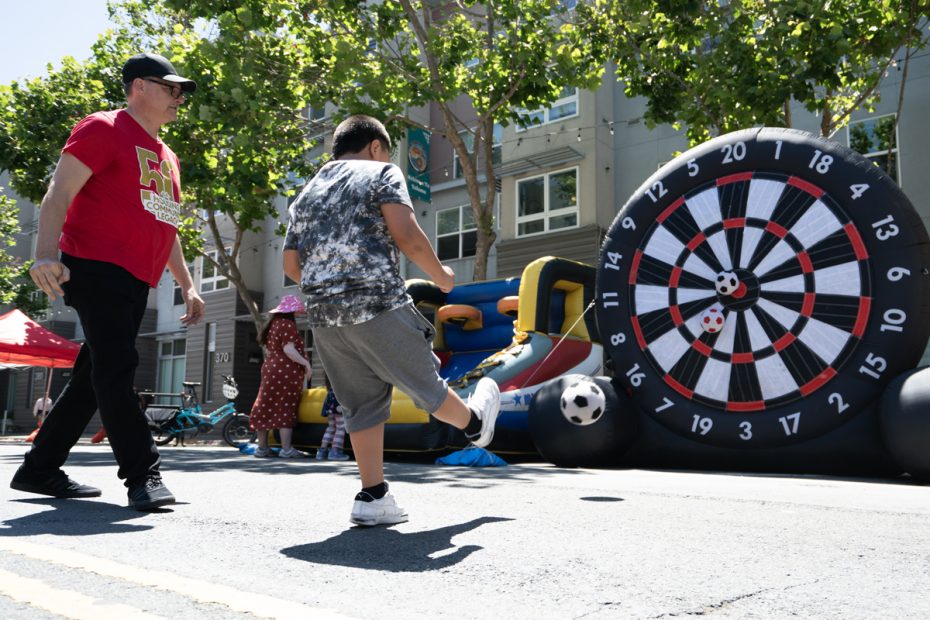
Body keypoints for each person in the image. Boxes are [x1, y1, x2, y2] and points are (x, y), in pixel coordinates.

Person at [283, 115, 500, 527]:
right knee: (427, 386)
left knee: (361, 406)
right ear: (375, 146)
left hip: (325, 316)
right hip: (377, 301)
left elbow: (291, 265)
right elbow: (407, 234)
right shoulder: (381, 171)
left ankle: (373, 495)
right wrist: (441, 276)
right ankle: (474, 425)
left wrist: (331, 284)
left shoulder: (306, 194)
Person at [9, 53, 203, 511]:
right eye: (170, 87)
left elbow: (166, 225)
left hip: (136, 276)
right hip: (95, 266)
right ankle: (143, 473)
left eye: (181, 91)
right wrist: (43, 256)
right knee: (117, 367)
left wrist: (189, 286)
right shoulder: (103, 128)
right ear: (138, 86)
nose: (179, 97)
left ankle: (39, 467)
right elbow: (59, 191)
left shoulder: (167, 156)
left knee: (93, 377)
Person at [250, 294, 313, 458]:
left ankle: (262, 448)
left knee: (264, 404)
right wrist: (306, 364)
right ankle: (286, 449)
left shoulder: (272, 325)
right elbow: (289, 350)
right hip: (286, 370)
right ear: (291, 311)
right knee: (285, 406)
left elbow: (271, 350)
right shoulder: (287, 324)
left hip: (270, 368)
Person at [316, 375, 349, 461]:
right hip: (338, 407)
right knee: (341, 428)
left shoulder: (331, 386)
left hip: (330, 407)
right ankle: (335, 451)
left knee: (331, 428)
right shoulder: (341, 385)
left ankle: (322, 451)